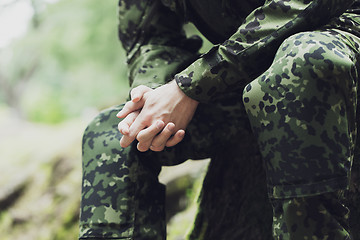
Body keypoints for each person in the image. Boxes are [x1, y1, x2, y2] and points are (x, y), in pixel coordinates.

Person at [79, 0, 360, 239]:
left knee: (301, 63)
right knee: (113, 133)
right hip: (239, 75)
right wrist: (153, 95)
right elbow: (149, 37)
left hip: (336, 41)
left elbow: (302, 6)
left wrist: (191, 85)